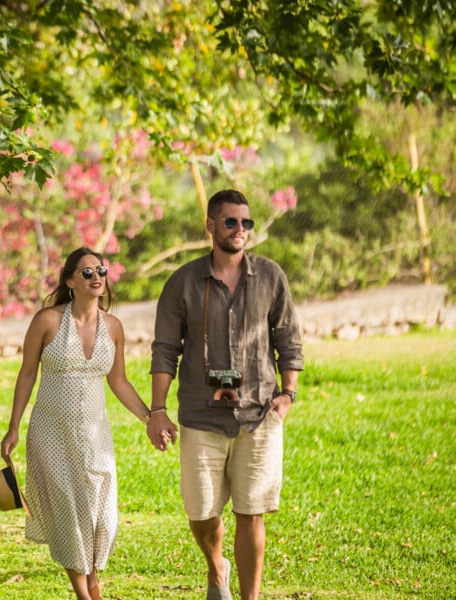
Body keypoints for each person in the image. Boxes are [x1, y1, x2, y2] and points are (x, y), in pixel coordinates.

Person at [146, 189, 304, 600]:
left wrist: (287, 394)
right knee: (202, 513)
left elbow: (289, 340)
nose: (240, 229)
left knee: (251, 512)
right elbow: (165, 350)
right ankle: (217, 565)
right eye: (231, 222)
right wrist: (157, 410)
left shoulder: (270, 277)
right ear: (211, 226)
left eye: (246, 222)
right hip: (200, 414)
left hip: (258, 413)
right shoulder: (182, 282)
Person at [0, 246, 159, 600]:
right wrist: (13, 427)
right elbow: (27, 374)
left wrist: (150, 417)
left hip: (95, 435)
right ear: (71, 281)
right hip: (50, 431)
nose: (96, 278)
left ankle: (94, 579)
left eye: (100, 271)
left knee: (102, 516)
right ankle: (85, 593)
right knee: (68, 511)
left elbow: (118, 381)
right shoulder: (47, 320)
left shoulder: (114, 327)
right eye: (86, 273)